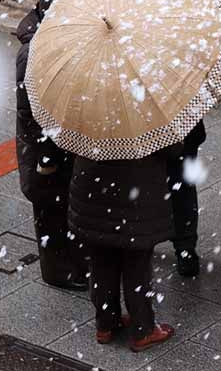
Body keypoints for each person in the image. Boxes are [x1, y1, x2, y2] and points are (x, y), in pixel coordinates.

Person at [14, 0, 88, 289]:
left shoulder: (49, 42)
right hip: (43, 152)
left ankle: (72, 266)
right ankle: (58, 274)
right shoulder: (31, 53)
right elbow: (29, 112)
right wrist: (46, 156)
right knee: (50, 212)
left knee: (61, 208)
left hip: (56, 145)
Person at [67, 146, 176, 351]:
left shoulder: (85, 115)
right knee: (137, 266)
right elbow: (174, 149)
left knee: (100, 262)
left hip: (92, 192)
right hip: (137, 196)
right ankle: (143, 330)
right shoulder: (147, 115)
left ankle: (106, 324)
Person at [166, 121, 206, 277]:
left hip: (149, 133)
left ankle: (142, 244)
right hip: (183, 131)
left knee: (148, 189)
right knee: (183, 190)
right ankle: (185, 250)